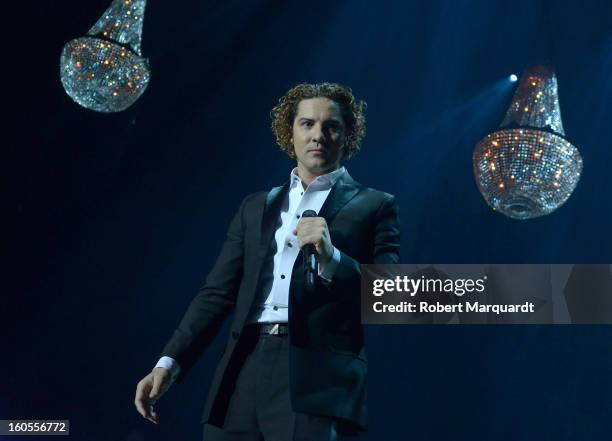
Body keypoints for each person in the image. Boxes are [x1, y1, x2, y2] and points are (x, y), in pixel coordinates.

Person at [134, 82, 400, 441]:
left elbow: (391, 295)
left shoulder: (376, 205)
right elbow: (216, 294)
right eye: (307, 124)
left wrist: (332, 256)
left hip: (314, 379)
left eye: (331, 126)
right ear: (289, 133)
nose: (318, 135)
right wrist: (168, 362)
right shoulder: (255, 206)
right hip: (242, 366)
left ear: (347, 135)